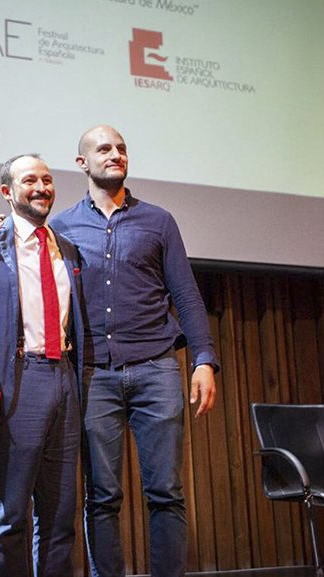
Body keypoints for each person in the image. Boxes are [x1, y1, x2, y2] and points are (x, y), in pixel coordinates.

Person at [48, 125, 218, 577]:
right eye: (104, 148)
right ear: (82, 163)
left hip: (156, 369)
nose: (116, 154)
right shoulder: (61, 226)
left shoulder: (159, 221)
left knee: (166, 491)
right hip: (92, 375)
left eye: (121, 148)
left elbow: (186, 294)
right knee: (102, 495)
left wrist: (203, 359)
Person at [0, 154, 87, 576]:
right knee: (12, 514)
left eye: (47, 179)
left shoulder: (66, 247)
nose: (41, 187)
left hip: (65, 378)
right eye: (29, 180)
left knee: (60, 518)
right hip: (18, 378)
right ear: (7, 192)